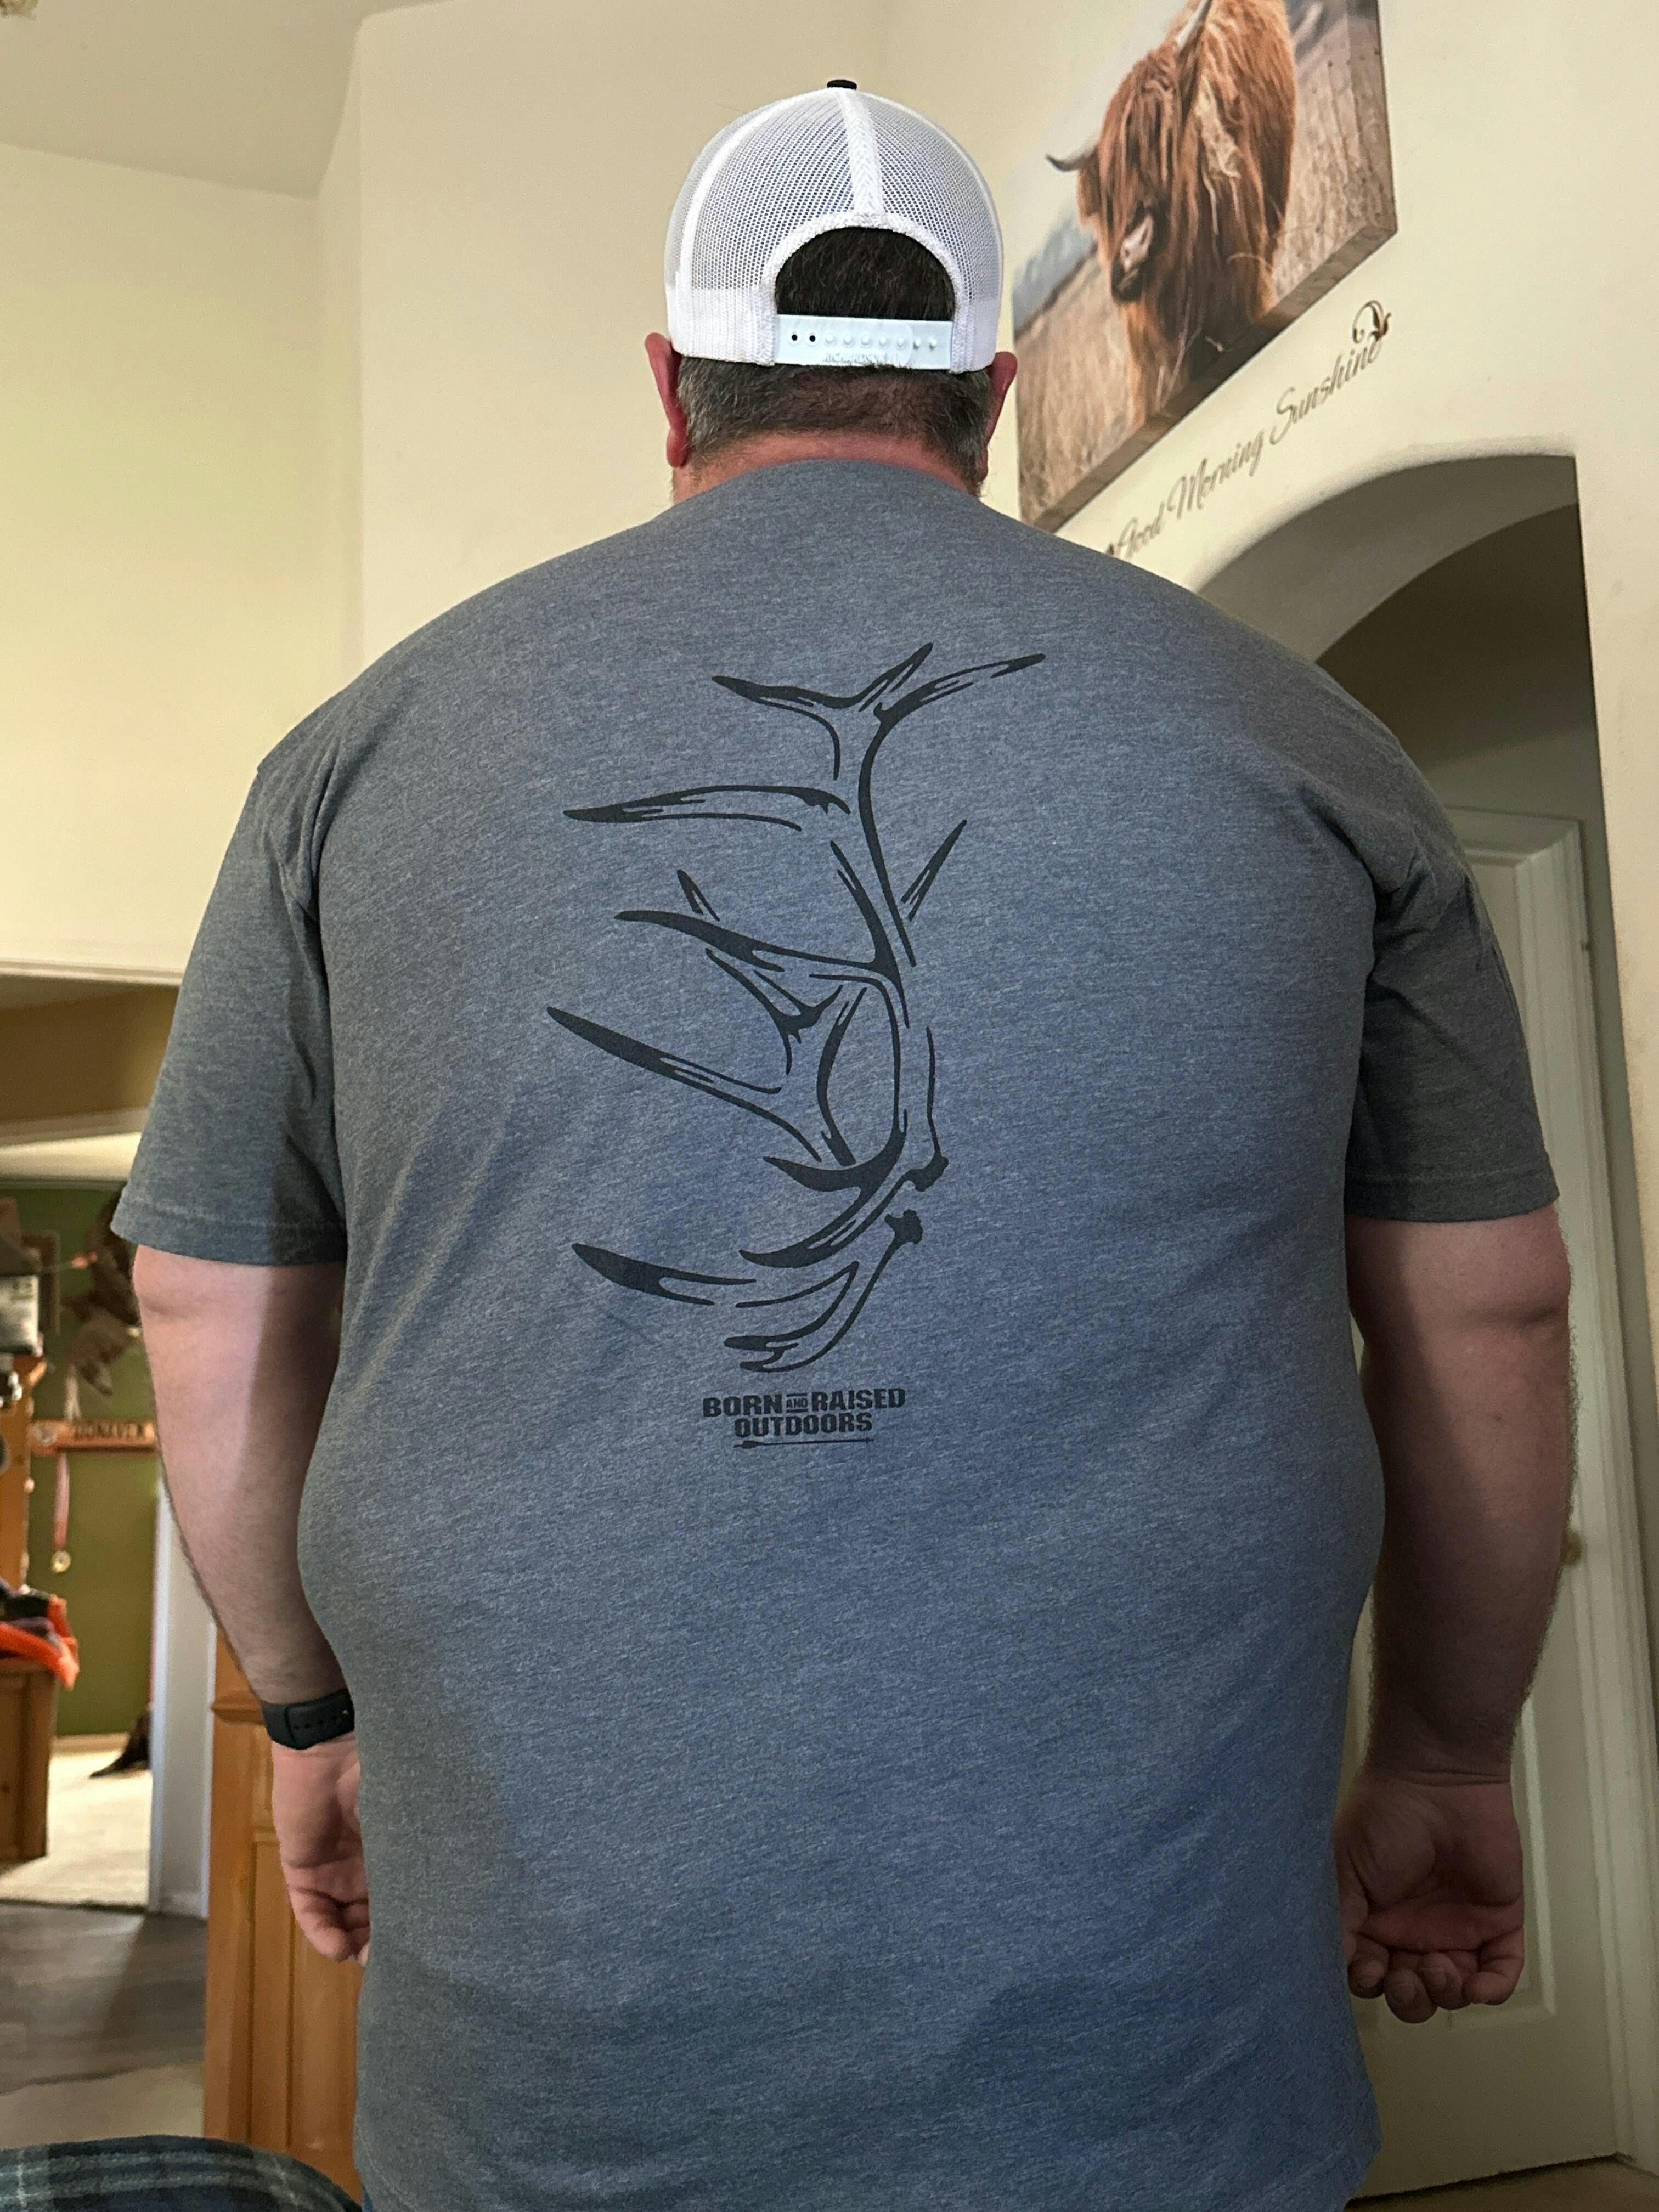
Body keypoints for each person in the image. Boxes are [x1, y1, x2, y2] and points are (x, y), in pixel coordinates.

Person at [116, 82, 1573, 2212]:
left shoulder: (356, 760)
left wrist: (312, 1715)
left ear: (670, 385)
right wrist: (1445, 1753)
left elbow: (202, 1308)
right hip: (1163, 2091)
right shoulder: (1307, 741)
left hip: (555, 2104)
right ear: (994, 391)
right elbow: (1492, 1309)